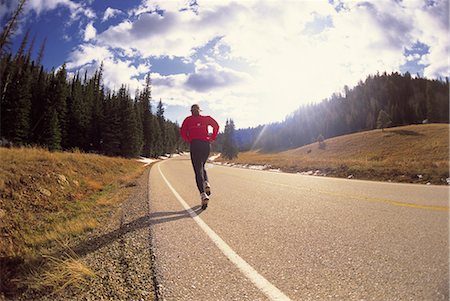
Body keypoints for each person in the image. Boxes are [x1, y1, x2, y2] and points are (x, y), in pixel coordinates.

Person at [180, 104, 220, 209]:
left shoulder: (187, 120)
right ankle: (206, 183)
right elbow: (216, 126)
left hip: (195, 145)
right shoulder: (206, 118)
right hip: (206, 145)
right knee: (202, 166)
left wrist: (188, 139)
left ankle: (203, 194)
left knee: (198, 170)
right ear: (199, 110)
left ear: (191, 111)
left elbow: (183, 132)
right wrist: (213, 137)